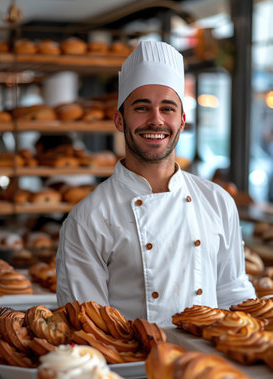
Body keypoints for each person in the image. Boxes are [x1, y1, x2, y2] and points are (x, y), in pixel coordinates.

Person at [56, 40, 255, 327]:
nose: (156, 120)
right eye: (141, 107)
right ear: (119, 120)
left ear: (182, 121)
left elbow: (233, 293)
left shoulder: (217, 201)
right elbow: (87, 325)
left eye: (168, 108)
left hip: (211, 366)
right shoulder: (88, 218)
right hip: (131, 369)